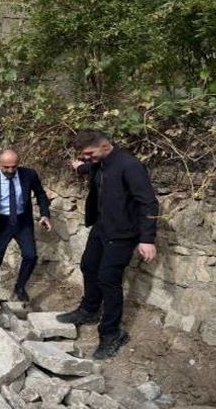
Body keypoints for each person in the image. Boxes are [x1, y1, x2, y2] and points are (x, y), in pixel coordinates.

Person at [56, 129, 159, 360]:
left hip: (122, 233)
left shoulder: (129, 166)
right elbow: (91, 169)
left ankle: (112, 333)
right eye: (83, 155)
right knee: (88, 266)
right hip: (102, 226)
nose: (86, 158)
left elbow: (149, 203)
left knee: (108, 280)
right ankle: (90, 310)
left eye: (88, 154)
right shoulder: (98, 162)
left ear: (104, 146)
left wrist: (147, 239)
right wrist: (80, 167)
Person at [0, 148, 52, 302]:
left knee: (30, 255)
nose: (11, 170)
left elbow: (40, 194)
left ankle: (20, 287)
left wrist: (45, 214)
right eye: (6, 167)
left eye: (14, 166)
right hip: (0, 223)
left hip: (22, 222)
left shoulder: (29, 175)